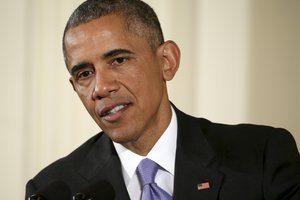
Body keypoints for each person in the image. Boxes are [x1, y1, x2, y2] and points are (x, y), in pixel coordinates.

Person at [25, 0, 300, 199]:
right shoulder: (53, 189)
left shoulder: (261, 158)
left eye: (119, 60)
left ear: (166, 62)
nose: (101, 87)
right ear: (75, 88)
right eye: (85, 73)